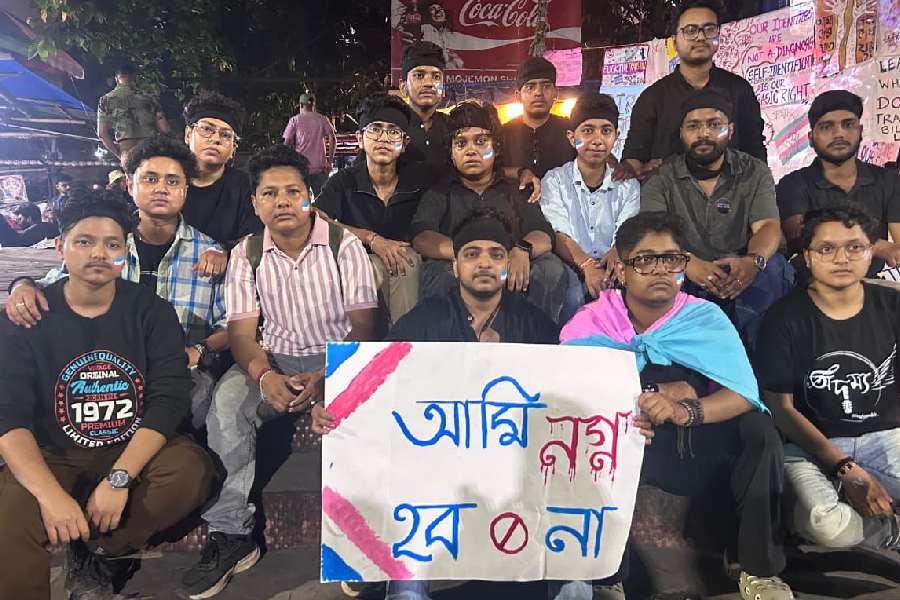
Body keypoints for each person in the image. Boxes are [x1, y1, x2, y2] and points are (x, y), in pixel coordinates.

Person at [314, 210, 606, 600]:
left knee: (570, 521)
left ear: (508, 265)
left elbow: (563, 402)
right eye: (472, 254)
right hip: (439, 473)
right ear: (455, 266)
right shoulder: (421, 323)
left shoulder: (535, 326)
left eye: (495, 254)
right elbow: (378, 390)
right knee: (408, 496)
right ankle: (404, 590)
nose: (484, 263)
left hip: (517, 469)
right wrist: (337, 411)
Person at [561, 211, 794, 600]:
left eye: (671, 259)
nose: (660, 271)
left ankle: (759, 572)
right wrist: (644, 395)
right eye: (646, 260)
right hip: (625, 443)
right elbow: (570, 396)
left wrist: (686, 410)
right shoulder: (591, 323)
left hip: (695, 446)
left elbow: (742, 392)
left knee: (759, 432)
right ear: (621, 266)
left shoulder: (704, 318)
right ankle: (606, 575)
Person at [180, 145, 378, 599]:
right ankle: (232, 535)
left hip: (340, 360)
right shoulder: (246, 254)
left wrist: (328, 378)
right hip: (277, 361)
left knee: (369, 414)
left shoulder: (344, 247)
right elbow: (243, 334)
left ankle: (358, 539)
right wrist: (265, 376)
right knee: (228, 403)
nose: (282, 201)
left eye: (293, 191)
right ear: (255, 203)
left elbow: (364, 328)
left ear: (310, 197)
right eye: (269, 193)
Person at [0, 187, 216, 600]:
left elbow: (168, 398)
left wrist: (119, 478)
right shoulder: (26, 317)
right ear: (61, 247)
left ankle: (98, 550)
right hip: (54, 453)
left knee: (190, 470)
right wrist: (50, 496)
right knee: (9, 520)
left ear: (125, 251)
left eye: (112, 244)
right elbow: (8, 414)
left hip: (126, 447)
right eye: (84, 241)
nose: (99, 253)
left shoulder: (151, 312)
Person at [6, 136, 229, 429]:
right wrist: (21, 285)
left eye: (173, 182)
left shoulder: (210, 254)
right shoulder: (106, 245)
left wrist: (197, 351)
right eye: (150, 179)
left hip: (181, 374)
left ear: (186, 190)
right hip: (100, 377)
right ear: (129, 185)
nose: (161, 188)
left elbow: (230, 324)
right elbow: (53, 282)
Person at [756, 207, 900, 555]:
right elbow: (781, 409)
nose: (842, 258)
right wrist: (845, 469)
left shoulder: (892, 305)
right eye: (826, 249)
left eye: (855, 247)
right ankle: (889, 529)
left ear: (870, 253)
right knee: (826, 524)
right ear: (807, 256)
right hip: (810, 445)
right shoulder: (782, 319)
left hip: (885, 437)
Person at [640, 89, 789, 342]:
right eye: (693, 126)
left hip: (739, 269)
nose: (704, 133)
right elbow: (655, 235)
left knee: (775, 269)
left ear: (730, 130)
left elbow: (767, 226)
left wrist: (753, 262)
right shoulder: (661, 178)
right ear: (681, 133)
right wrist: (687, 262)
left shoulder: (754, 171)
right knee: (654, 271)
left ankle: (757, 364)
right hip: (684, 270)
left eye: (714, 124)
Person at [410, 100, 569, 323]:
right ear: (451, 152)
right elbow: (422, 236)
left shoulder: (515, 189)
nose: (471, 150)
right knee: (438, 272)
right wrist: (463, 255)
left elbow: (543, 233)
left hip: (511, 272)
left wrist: (521, 250)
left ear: (496, 147)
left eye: (481, 141)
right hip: (459, 273)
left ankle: (533, 344)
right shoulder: (440, 191)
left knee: (550, 269)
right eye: (461, 143)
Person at [619, 0, 766, 182]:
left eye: (709, 29)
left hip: (730, 202)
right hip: (668, 203)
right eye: (690, 30)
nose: (700, 37)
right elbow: (633, 159)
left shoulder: (739, 90)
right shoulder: (653, 97)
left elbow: (755, 151)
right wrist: (635, 171)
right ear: (674, 41)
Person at [315, 94, 431, 325]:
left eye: (393, 131)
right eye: (375, 129)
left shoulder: (418, 181)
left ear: (404, 143)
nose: (384, 139)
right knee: (372, 265)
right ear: (360, 138)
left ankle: (399, 344)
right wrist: (371, 239)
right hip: (360, 261)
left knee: (404, 260)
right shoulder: (345, 181)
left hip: (407, 264)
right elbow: (317, 219)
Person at [777, 90, 900, 278]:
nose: (839, 133)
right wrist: (875, 246)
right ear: (811, 138)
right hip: (812, 287)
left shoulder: (888, 181)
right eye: (827, 127)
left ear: (860, 131)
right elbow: (804, 238)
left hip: (870, 286)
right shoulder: (793, 184)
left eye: (848, 124)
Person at [540, 92, 640, 322]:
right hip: (570, 262)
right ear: (570, 137)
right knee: (571, 296)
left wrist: (616, 255)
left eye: (606, 131)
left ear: (616, 136)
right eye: (587, 131)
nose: (597, 140)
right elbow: (559, 233)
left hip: (614, 261)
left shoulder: (628, 186)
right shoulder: (554, 181)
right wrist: (587, 266)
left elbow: (627, 229)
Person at [182, 91, 263, 250]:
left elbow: (253, 238)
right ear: (188, 134)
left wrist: (224, 251)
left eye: (226, 135)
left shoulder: (246, 187)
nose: (216, 139)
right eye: (206, 129)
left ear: (234, 148)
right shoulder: (170, 180)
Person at [501, 56, 576, 180]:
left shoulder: (571, 131)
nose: (538, 93)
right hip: (513, 199)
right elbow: (490, 173)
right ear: (518, 96)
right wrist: (518, 172)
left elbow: (591, 157)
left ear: (555, 93)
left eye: (546, 86)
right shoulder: (503, 134)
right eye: (530, 87)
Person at [97, 63, 170, 161]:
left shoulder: (105, 100)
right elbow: (165, 129)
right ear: (135, 77)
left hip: (126, 148)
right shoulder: (150, 98)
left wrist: (118, 153)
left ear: (117, 78)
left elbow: (102, 133)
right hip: (150, 146)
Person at [282, 93, 337, 196]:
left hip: (301, 168)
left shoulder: (294, 120)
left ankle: (306, 210)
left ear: (301, 105)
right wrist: (329, 162)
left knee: (302, 198)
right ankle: (318, 212)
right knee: (322, 200)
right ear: (313, 105)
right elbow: (332, 138)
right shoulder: (322, 119)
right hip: (320, 168)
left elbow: (287, 142)